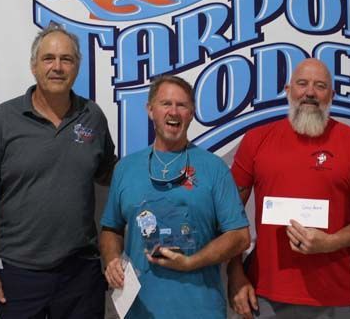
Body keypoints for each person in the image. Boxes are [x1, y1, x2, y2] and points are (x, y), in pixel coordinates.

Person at [0, 22, 116, 318]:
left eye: (67, 59)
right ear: (34, 66)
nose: (58, 67)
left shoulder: (93, 117)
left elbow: (108, 176)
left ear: (77, 67)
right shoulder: (2, 120)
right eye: (49, 58)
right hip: (17, 273)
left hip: (80, 273)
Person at [228, 58, 350, 319]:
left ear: (332, 95)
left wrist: (331, 242)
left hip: (332, 297)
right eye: (302, 84)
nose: (310, 93)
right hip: (264, 295)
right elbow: (229, 211)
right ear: (288, 90)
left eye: (320, 86)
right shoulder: (257, 140)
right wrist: (234, 272)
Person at [100, 75, 250, 318]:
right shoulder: (126, 168)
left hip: (201, 309)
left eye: (182, 105)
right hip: (140, 310)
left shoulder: (214, 168)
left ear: (191, 113)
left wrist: (192, 262)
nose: (174, 111)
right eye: (165, 104)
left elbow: (240, 237)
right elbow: (111, 228)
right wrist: (111, 260)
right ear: (150, 110)